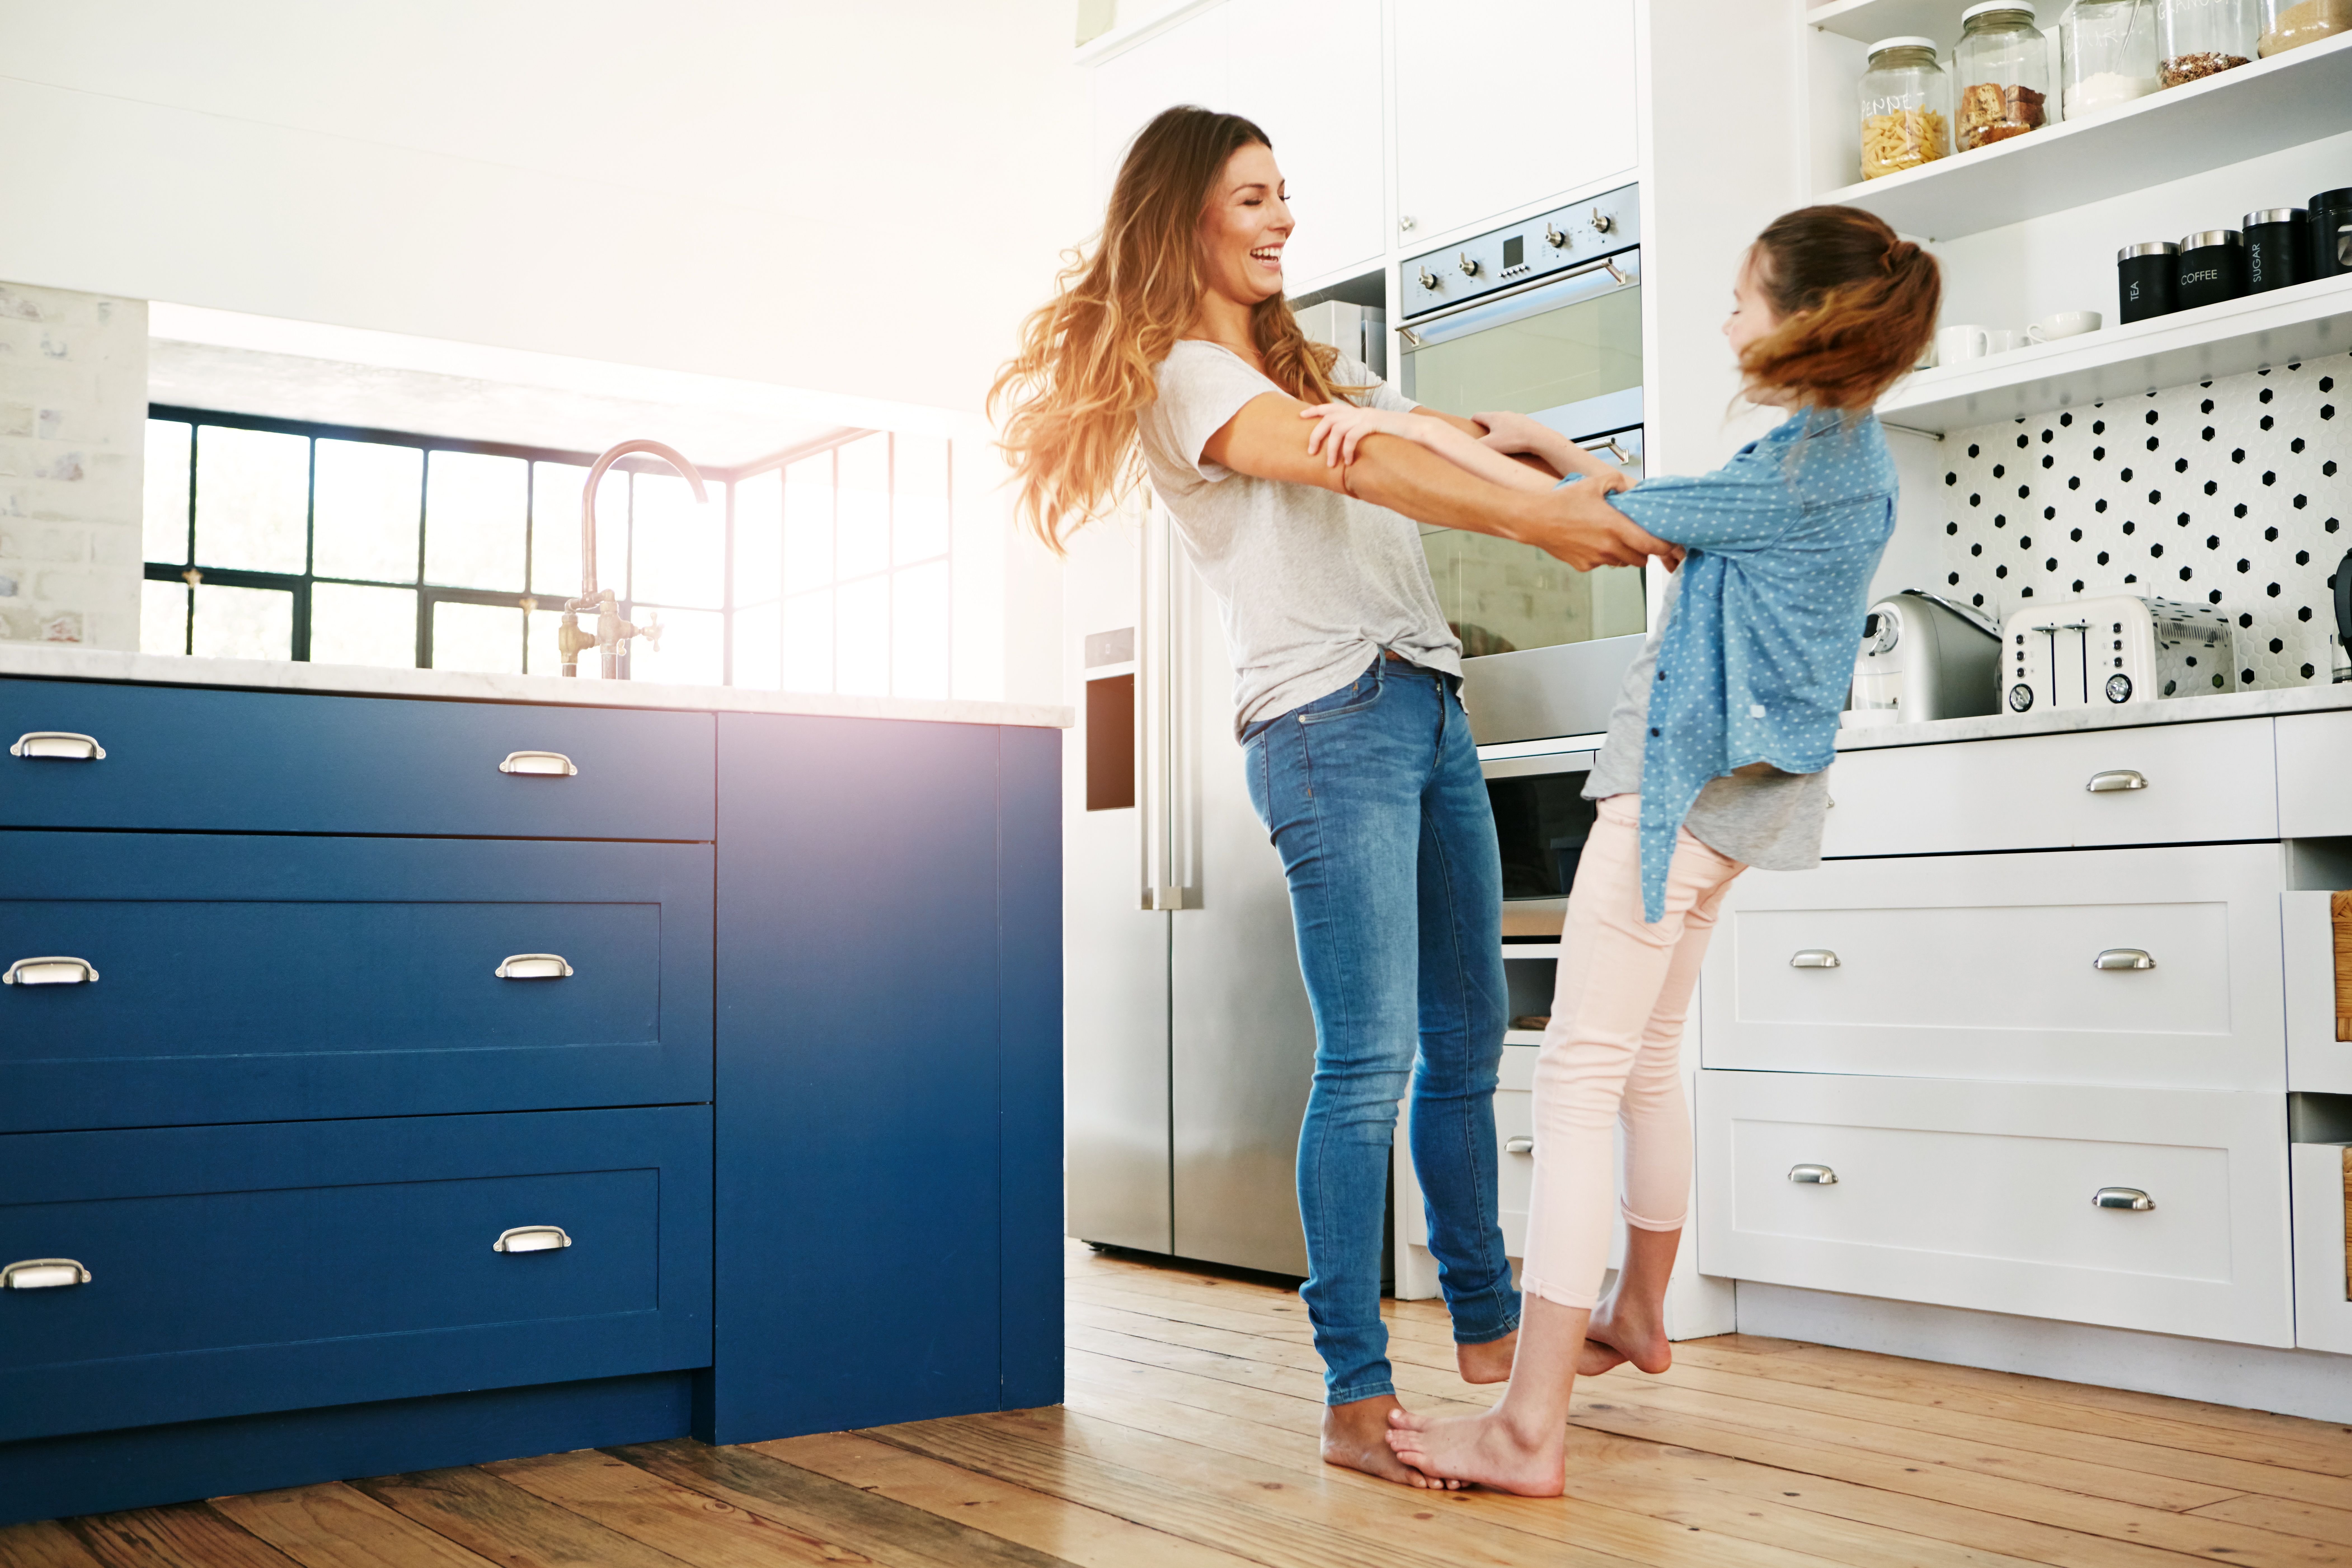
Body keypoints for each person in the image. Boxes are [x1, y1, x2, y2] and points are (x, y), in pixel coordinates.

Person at [989, 104, 1677, 1488]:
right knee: (1365, 1059)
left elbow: (1421, 430)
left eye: (1283, 196)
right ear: (1184, 214)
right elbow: (1363, 461)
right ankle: (1353, 1398)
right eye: (1253, 197)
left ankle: (1487, 1340)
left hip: (1421, 700)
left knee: (1469, 1034)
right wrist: (1539, 519)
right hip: (1321, 720)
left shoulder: (1312, 361)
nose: (1283, 220)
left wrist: (1553, 457)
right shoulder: (1188, 379)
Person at [1336, 204, 1940, 1495]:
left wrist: (1378, 436)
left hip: (1678, 797)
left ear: (1799, 323)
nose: (1725, 319)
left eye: (1739, 298)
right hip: (1737, 807)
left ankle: (1525, 1427)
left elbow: (1612, 524)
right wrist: (1551, 444)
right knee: (1646, 1058)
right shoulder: (1824, 454)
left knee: (1572, 1078)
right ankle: (1641, 1314)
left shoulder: (1796, 470)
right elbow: (1657, 511)